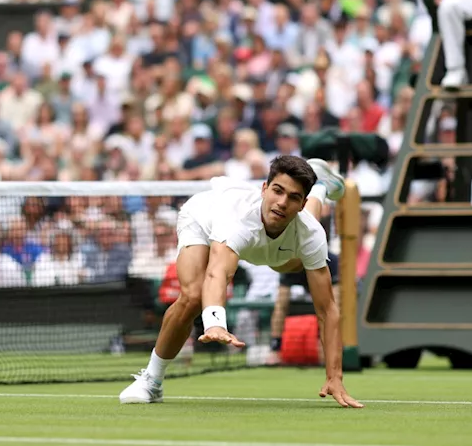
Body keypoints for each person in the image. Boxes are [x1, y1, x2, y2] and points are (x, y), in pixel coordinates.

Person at [119, 156, 362, 407]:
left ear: (301, 204)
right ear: (264, 188)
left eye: (293, 197)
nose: (281, 202)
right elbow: (217, 273)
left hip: (274, 244)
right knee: (193, 297)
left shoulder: (310, 232)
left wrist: (335, 375)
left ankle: (318, 187)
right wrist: (215, 323)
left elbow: (328, 310)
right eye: (277, 191)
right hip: (203, 221)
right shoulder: (236, 220)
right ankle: (151, 380)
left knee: (300, 250)